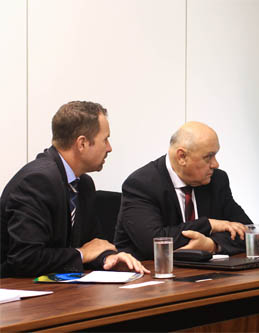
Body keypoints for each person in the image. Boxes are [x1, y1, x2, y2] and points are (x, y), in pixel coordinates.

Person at [0, 101, 149, 277]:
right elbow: (25, 258)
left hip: (59, 290)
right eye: (105, 139)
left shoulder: (83, 184)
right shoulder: (37, 181)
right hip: (18, 293)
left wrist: (108, 258)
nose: (109, 148)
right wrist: (82, 253)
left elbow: (92, 244)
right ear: (82, 143)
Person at [114, 121, 252, 260]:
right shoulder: (142, 184)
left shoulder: (216, 180)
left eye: (215, 155)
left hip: (205, 275)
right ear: (182, 157)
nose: (215, 164)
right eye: (208, 157)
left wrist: (211, 245)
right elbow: (155, 244)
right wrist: (209, 224)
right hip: (151, 274)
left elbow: (248, 232)